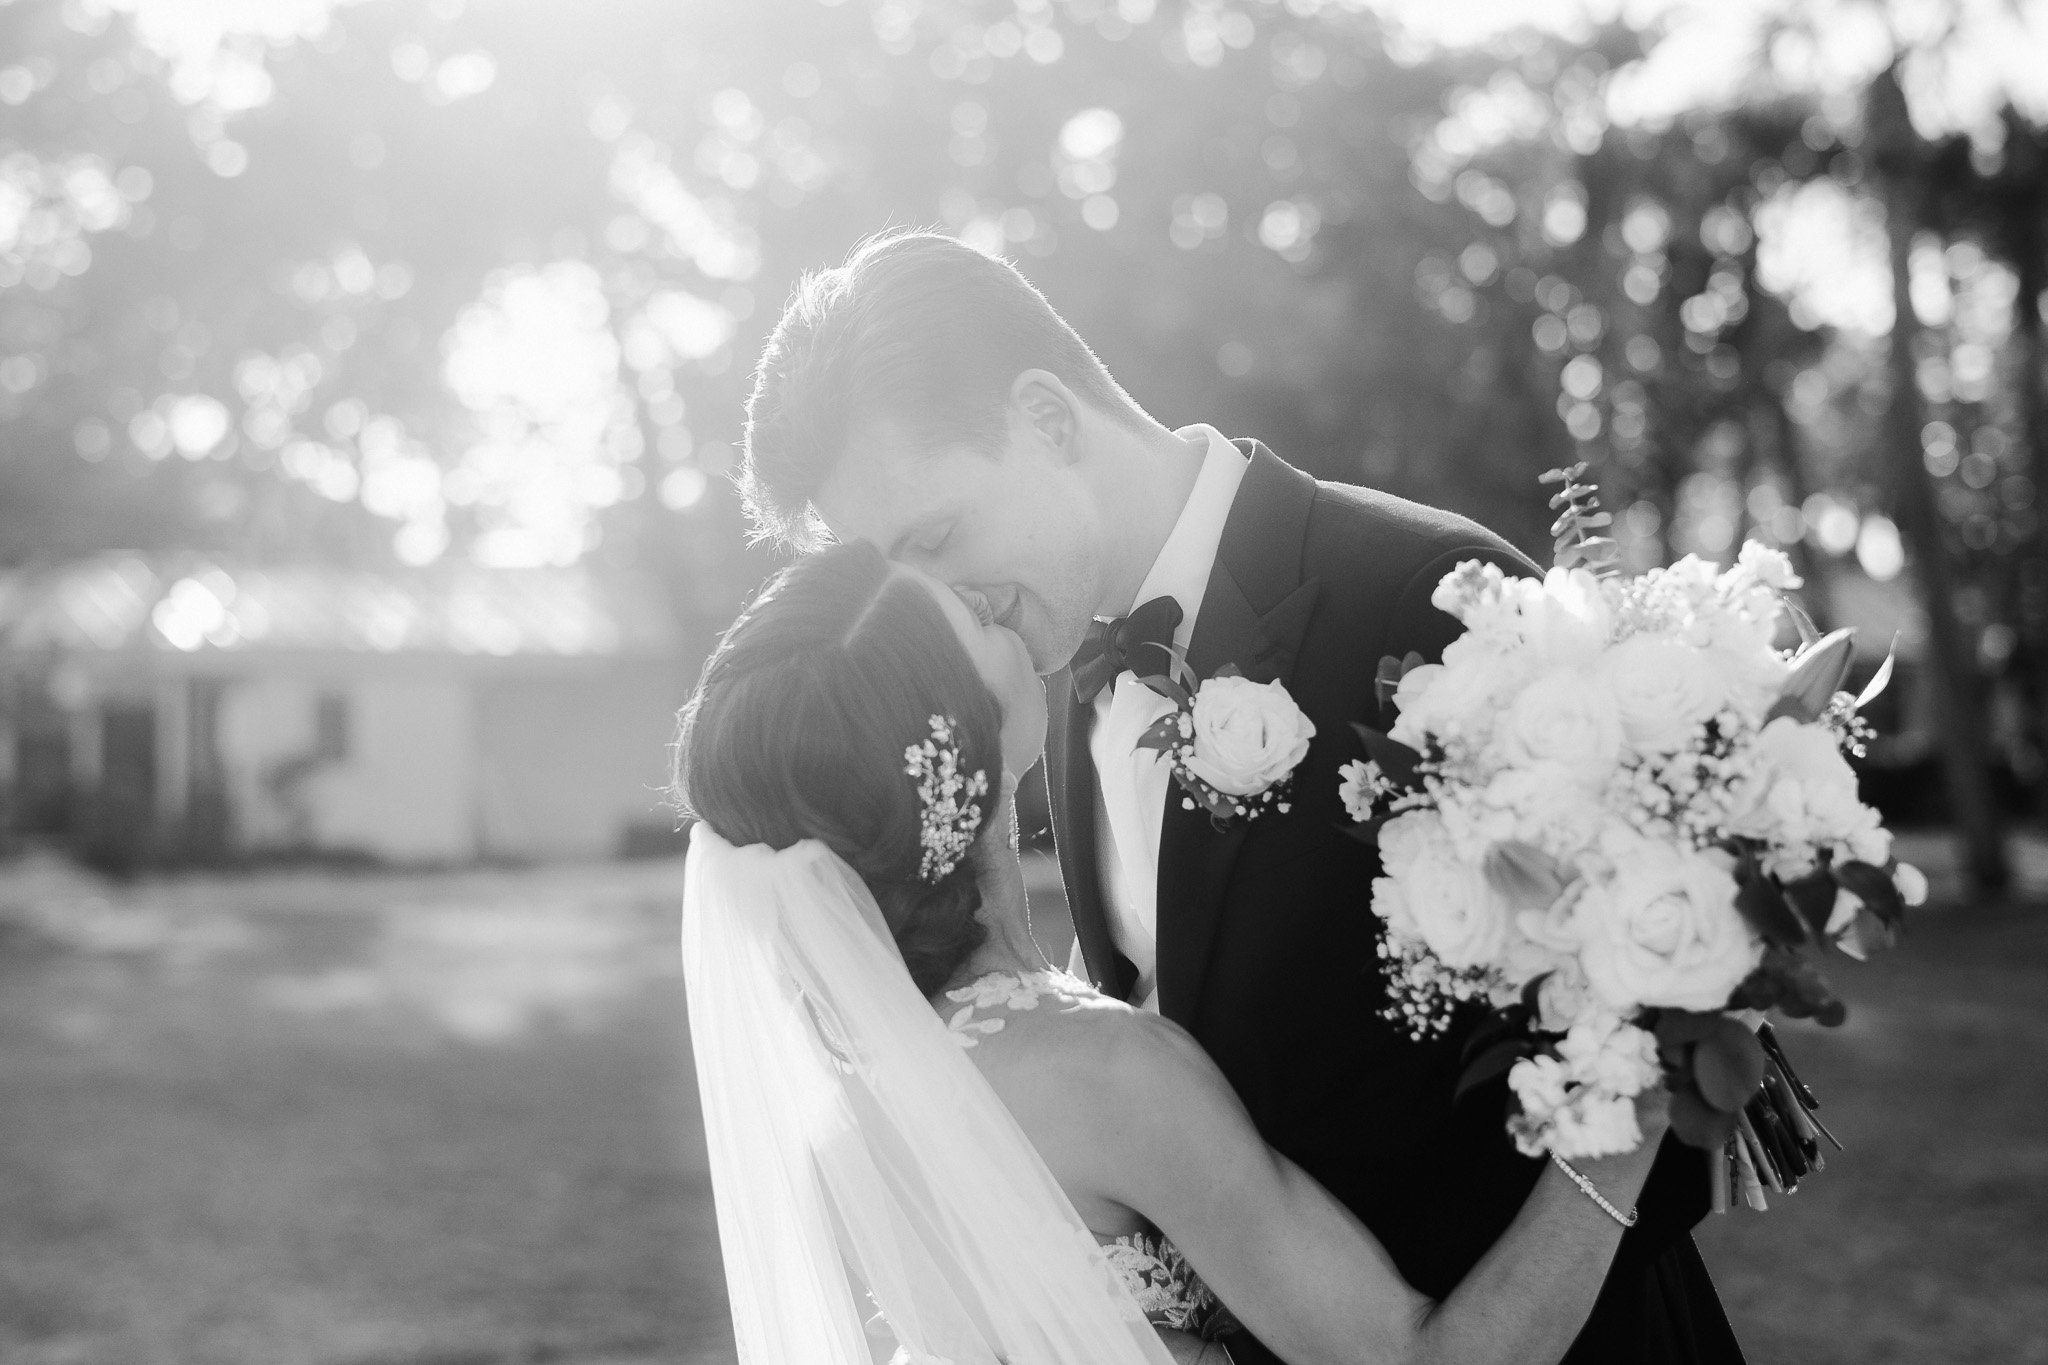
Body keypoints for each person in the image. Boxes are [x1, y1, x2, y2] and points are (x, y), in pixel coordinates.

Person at [733, 229, 1744, 1364]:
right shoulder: (1048, 677)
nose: (931, 607)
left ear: (1049, 419)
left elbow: (1657, 999)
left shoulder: (1424, 605)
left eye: (935, 536)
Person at [675, 542, 1669, 1364]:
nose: (1003, 607)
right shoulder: (1103, 1071)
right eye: (978, 617)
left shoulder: (847, 1103)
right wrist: (1619, 1145)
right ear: (951, 752)